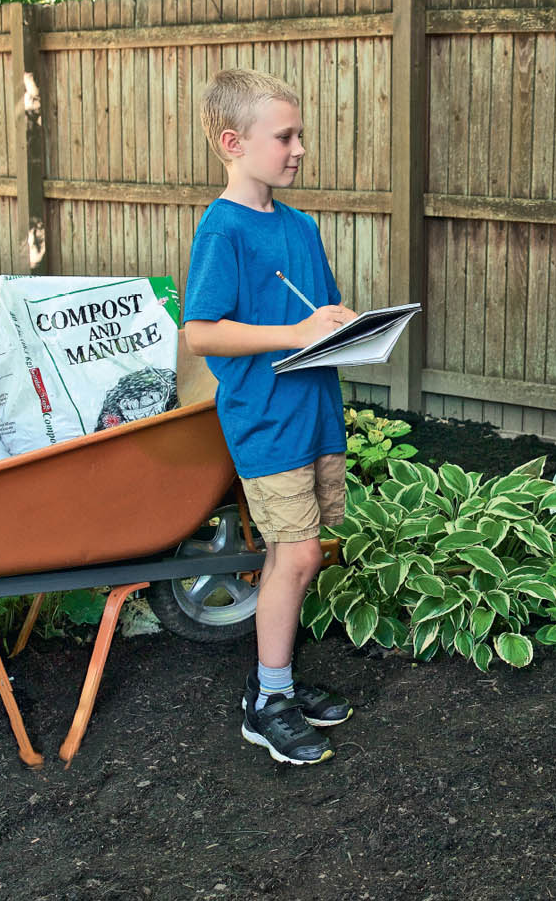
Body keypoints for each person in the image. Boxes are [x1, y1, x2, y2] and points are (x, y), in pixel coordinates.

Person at [183, 68, 356, 766]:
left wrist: (351, 326)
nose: (299, 149)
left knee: (309, 549)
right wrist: (294, 334)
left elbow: (322, 317)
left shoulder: (301, 226)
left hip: (315, 411)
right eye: (284, 136)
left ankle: (275, 678)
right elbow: (202, 331)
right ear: (234, 142)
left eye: (300, 136)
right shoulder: (222, 229)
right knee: (298, 552)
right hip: (265, 418)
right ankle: (267, 702)